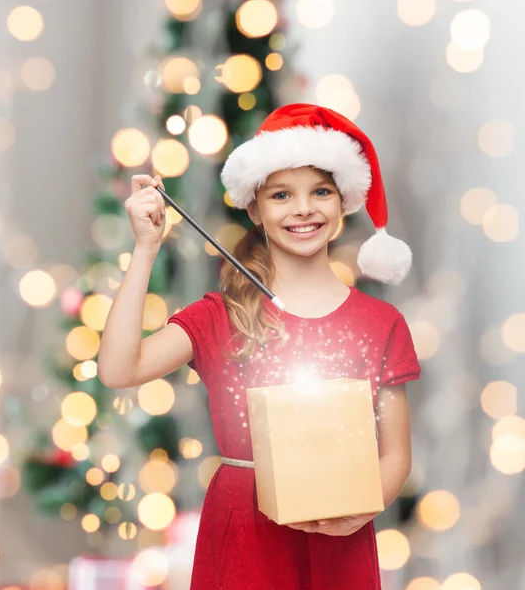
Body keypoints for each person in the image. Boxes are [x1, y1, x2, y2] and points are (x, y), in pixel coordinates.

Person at [98, 103, 421, 590]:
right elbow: (120, 369)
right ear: (255, 208)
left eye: (320, 192)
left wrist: (362, 509)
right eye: (281, 195)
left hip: (343, 539)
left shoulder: (382, 323)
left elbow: (395, 453)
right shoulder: (220, 315)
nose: (304, 209)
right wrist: (146, 247)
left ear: (343, 203)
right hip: (243, 540)